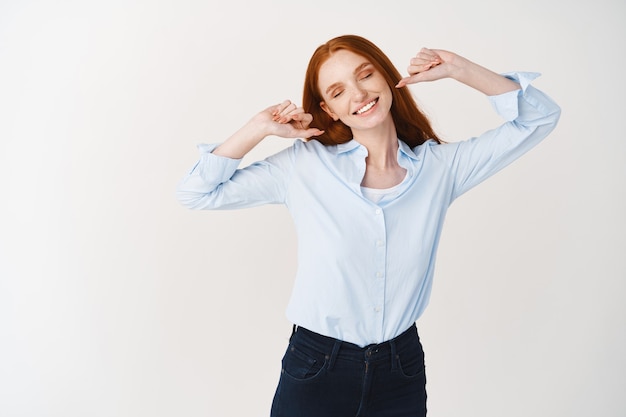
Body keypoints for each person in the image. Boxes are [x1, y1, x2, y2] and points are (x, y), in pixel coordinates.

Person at [176, 34, 560, 417]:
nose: (359, 95)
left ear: (387, 76)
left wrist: (459, 69)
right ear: (328, 109)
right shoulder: (304, 165)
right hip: (316, 366)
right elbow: (197, 192)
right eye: (339, 91)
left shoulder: (441, 169)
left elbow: (540, 117)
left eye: (366, 75)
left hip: (401, 368)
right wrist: (258, 128)